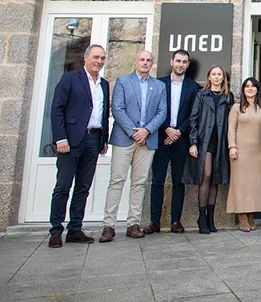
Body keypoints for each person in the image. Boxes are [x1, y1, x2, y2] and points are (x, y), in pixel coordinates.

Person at [100, 50, 167, 242]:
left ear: (152, 63)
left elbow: (162, 112)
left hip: (147, 140)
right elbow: (117, 109)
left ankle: (133, 223)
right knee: (117, 181)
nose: (145, 63)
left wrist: (146, 131)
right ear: (136, 61)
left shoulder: (159, 86)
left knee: (139, 183)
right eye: (142, 60)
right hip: (125, 139)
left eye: (148, 60)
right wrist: (134, 132)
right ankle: (109, 225)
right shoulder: (123, 82)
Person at [48, 44, 110, 248]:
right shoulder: (70, 79)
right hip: (71, 141)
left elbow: (102, 113)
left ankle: (75, 228)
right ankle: (56, 230)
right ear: (86, 58)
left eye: (102, 58)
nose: (99, 61)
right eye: (95, 57)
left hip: (93, 140)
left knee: (83, 187)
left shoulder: (104, 84)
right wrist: (60, 139)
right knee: (63, 186)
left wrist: (103, 140)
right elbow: (57, 110)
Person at [144, 49, 199, 235]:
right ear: (171, 62)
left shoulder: (193, 87)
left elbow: (193, 114)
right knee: (157, 180)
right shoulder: (158, 84)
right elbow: (153, 110)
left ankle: (176, 220)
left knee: (178, 181)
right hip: (160, 137)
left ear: (188, 65)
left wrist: (178, 131)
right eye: (178, 61)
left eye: (184, 62)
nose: (181, 64)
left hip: (181, 139)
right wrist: (166, 128)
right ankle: (154, 221)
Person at [183, 65, 233, 234]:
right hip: (204, 141)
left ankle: (211, 218)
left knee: (215, 178)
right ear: (209, 77)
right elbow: (194, 119)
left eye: (220, 74)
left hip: (220, 142)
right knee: (207, 175)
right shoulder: (202, 95)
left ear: (223, 78)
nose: (217, 77)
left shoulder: (228, 97)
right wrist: (193, 142)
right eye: (214, 74)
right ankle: (201, 217)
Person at [227, 77, 261, 232]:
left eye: (253, 86)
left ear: (258, 89)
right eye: (247, 86)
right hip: (240, 151)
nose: (250, 89)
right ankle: (242, 216)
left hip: (258, 152)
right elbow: (231, 129)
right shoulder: (237, 108)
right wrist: (232, 147)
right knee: (240, 184)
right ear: (243, 90)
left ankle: (251, 214)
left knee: (254, 184)